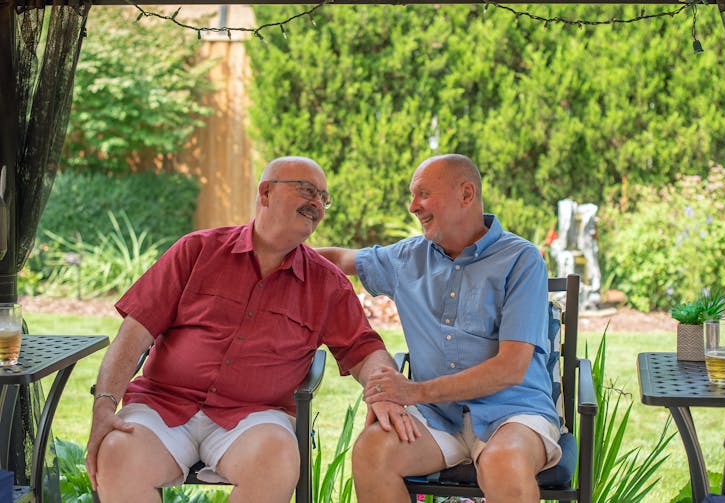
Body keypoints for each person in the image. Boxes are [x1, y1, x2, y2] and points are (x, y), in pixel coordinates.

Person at [85, 156, 411, 503]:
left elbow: (366, 351)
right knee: (117, 455)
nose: (317, 203)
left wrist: (385, 389)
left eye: (323, 198)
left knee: (278, 460)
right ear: (266, 193)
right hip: (163, 407)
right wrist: (104, 406)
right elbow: (133, 334)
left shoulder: (326, 282)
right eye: (307, 190)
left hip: (254, 420)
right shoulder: (197, 250)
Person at [318, 154, 562, 503]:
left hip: (513, 413)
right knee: (372, 452)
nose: (413, 206)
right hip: (436, 419)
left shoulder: (520, 260)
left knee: (503, 463)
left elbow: (511, 368)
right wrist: (274, 250)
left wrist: (413, 393)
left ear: (466, 194)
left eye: (422, 194)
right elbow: (339, 260)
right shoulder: (406, 258)